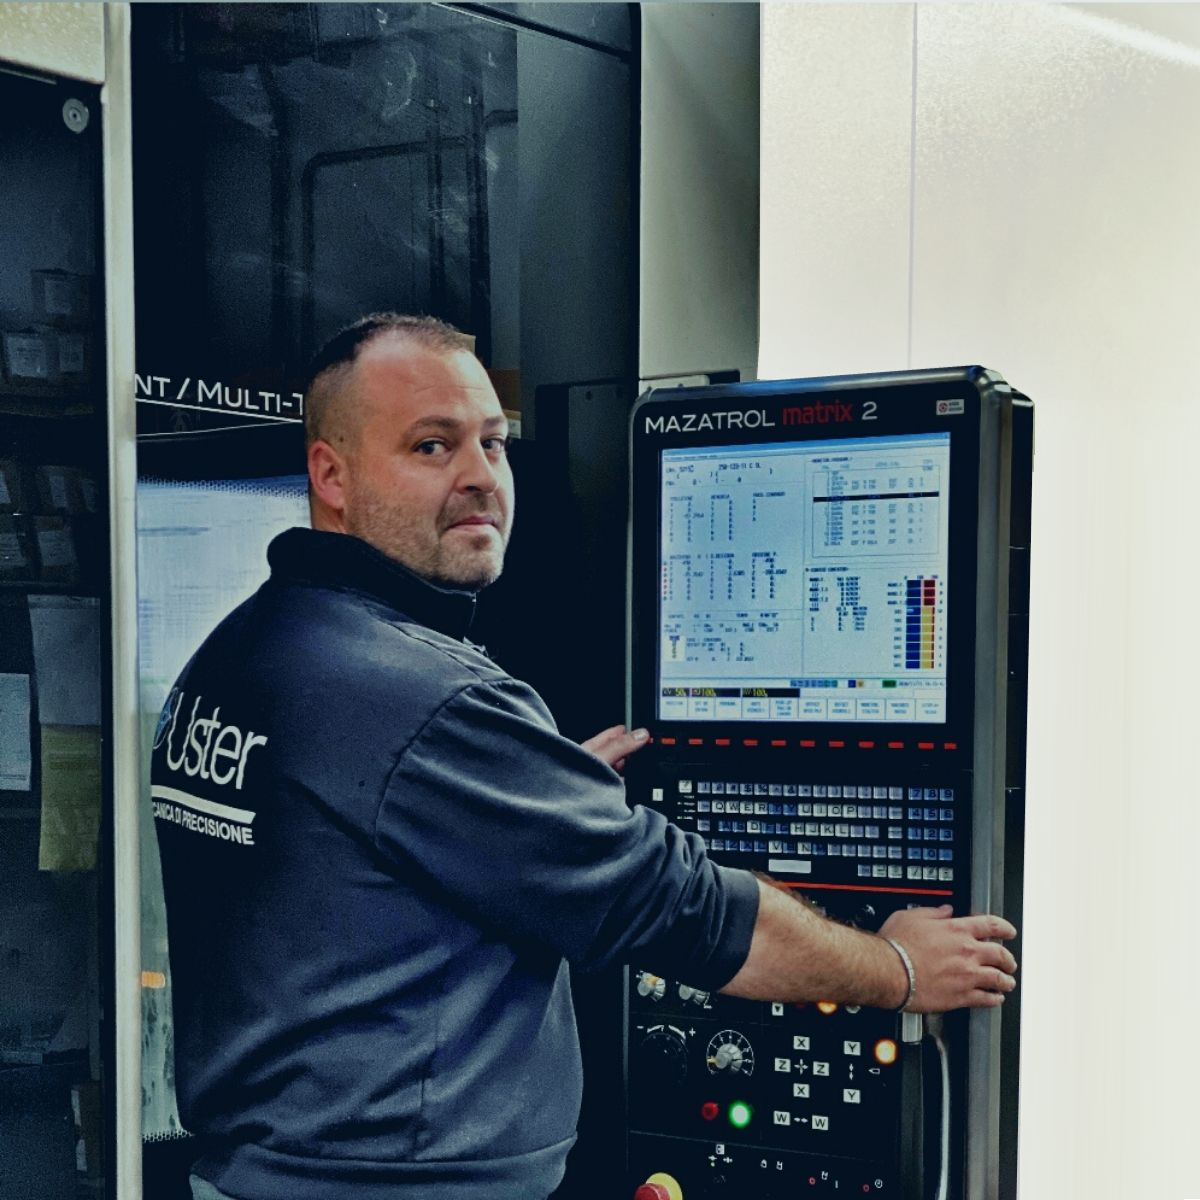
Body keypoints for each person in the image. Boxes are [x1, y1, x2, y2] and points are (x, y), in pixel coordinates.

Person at [152, 313, 1017, 1200]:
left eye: (493, 443)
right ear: (330, 473)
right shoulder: (427, 700)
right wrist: (898, 967)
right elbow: (685, 909)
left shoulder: (236, 655)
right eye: (431, 446)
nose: (479, 476)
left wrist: (530, 801)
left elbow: (346, 875)